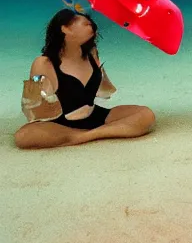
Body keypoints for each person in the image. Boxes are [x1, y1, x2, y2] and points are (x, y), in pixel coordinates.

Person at [14, 8, 155, 149]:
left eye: (88, 21)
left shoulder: (92, 54)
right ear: (64, 29)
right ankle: (101, 132)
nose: (89, 23)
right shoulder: (43, 63)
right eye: (77, 20)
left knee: (145, 114)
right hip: (59, 123)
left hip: (93, 115)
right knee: (24, 136)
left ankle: (82, 136)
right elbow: (32, 109)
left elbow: (104, 88)